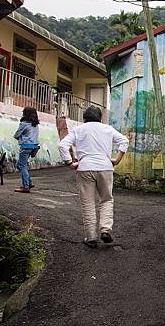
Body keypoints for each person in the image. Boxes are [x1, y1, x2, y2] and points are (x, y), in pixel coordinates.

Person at [58, 106, 129, 249]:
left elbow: (62, 145)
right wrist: (117, 160)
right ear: (100, 118)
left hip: (85, 168)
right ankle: (105, 230)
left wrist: (70, 163)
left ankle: (91, 237)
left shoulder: (78, 130)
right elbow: (124, 141)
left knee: (88, 203)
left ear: (85, 118)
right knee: (106, 199)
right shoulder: (107, 129)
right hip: (105, 168)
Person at [13, 107, 40, 193]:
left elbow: (17, 135)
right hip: (34, 147)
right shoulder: (35, 124)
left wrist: (19, 137)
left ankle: (26, 186)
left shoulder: (24, 124)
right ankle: (29, 183)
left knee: (22, 166)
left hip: (25, 147)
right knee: (20, 165)